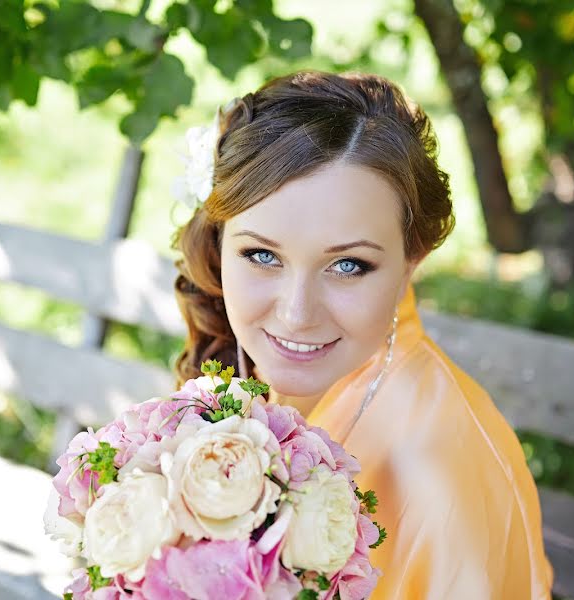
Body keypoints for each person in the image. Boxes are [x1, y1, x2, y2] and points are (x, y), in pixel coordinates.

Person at [172, 70, 554, 599]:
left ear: (412, 260)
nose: (297, 314)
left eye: (348, 265)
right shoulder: (244, 376)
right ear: (220, 244)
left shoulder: (442, 476)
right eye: (262, 255)